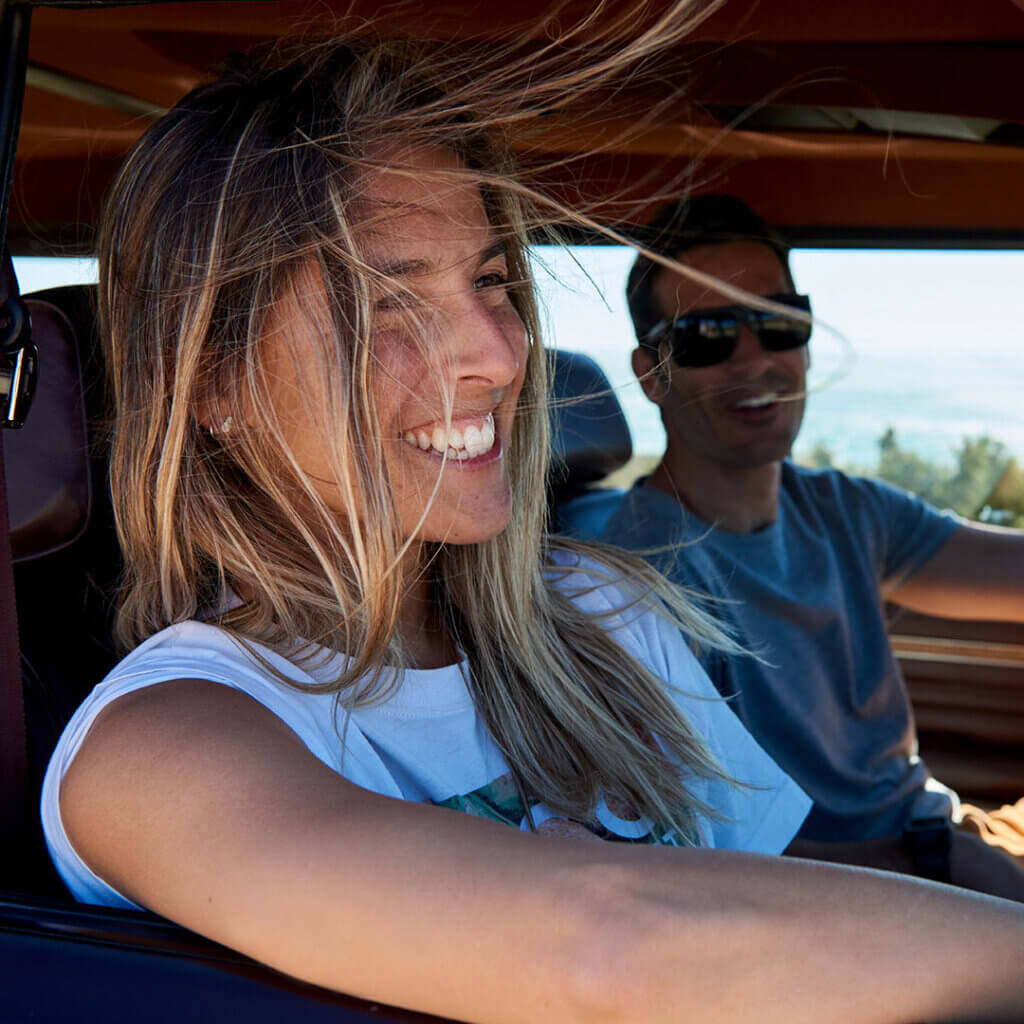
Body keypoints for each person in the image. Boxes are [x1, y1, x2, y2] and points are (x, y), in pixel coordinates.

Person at [37, 29, 1024, 1024]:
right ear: (217, 378)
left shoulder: (602, 607)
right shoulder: (157, 748)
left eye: (493, 281)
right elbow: (608, 944)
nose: (503, 353)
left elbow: (777, 885)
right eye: (389, 300)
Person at [598, 193, 1024, 896]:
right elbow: (709, 862)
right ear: (651, 373)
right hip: (865, 893)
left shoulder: (840, 509)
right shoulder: (640, 580)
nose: (753, 361)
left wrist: (948, 849)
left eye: (777, 325)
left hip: (941, 839)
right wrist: (933, 861)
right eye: (707, 337)